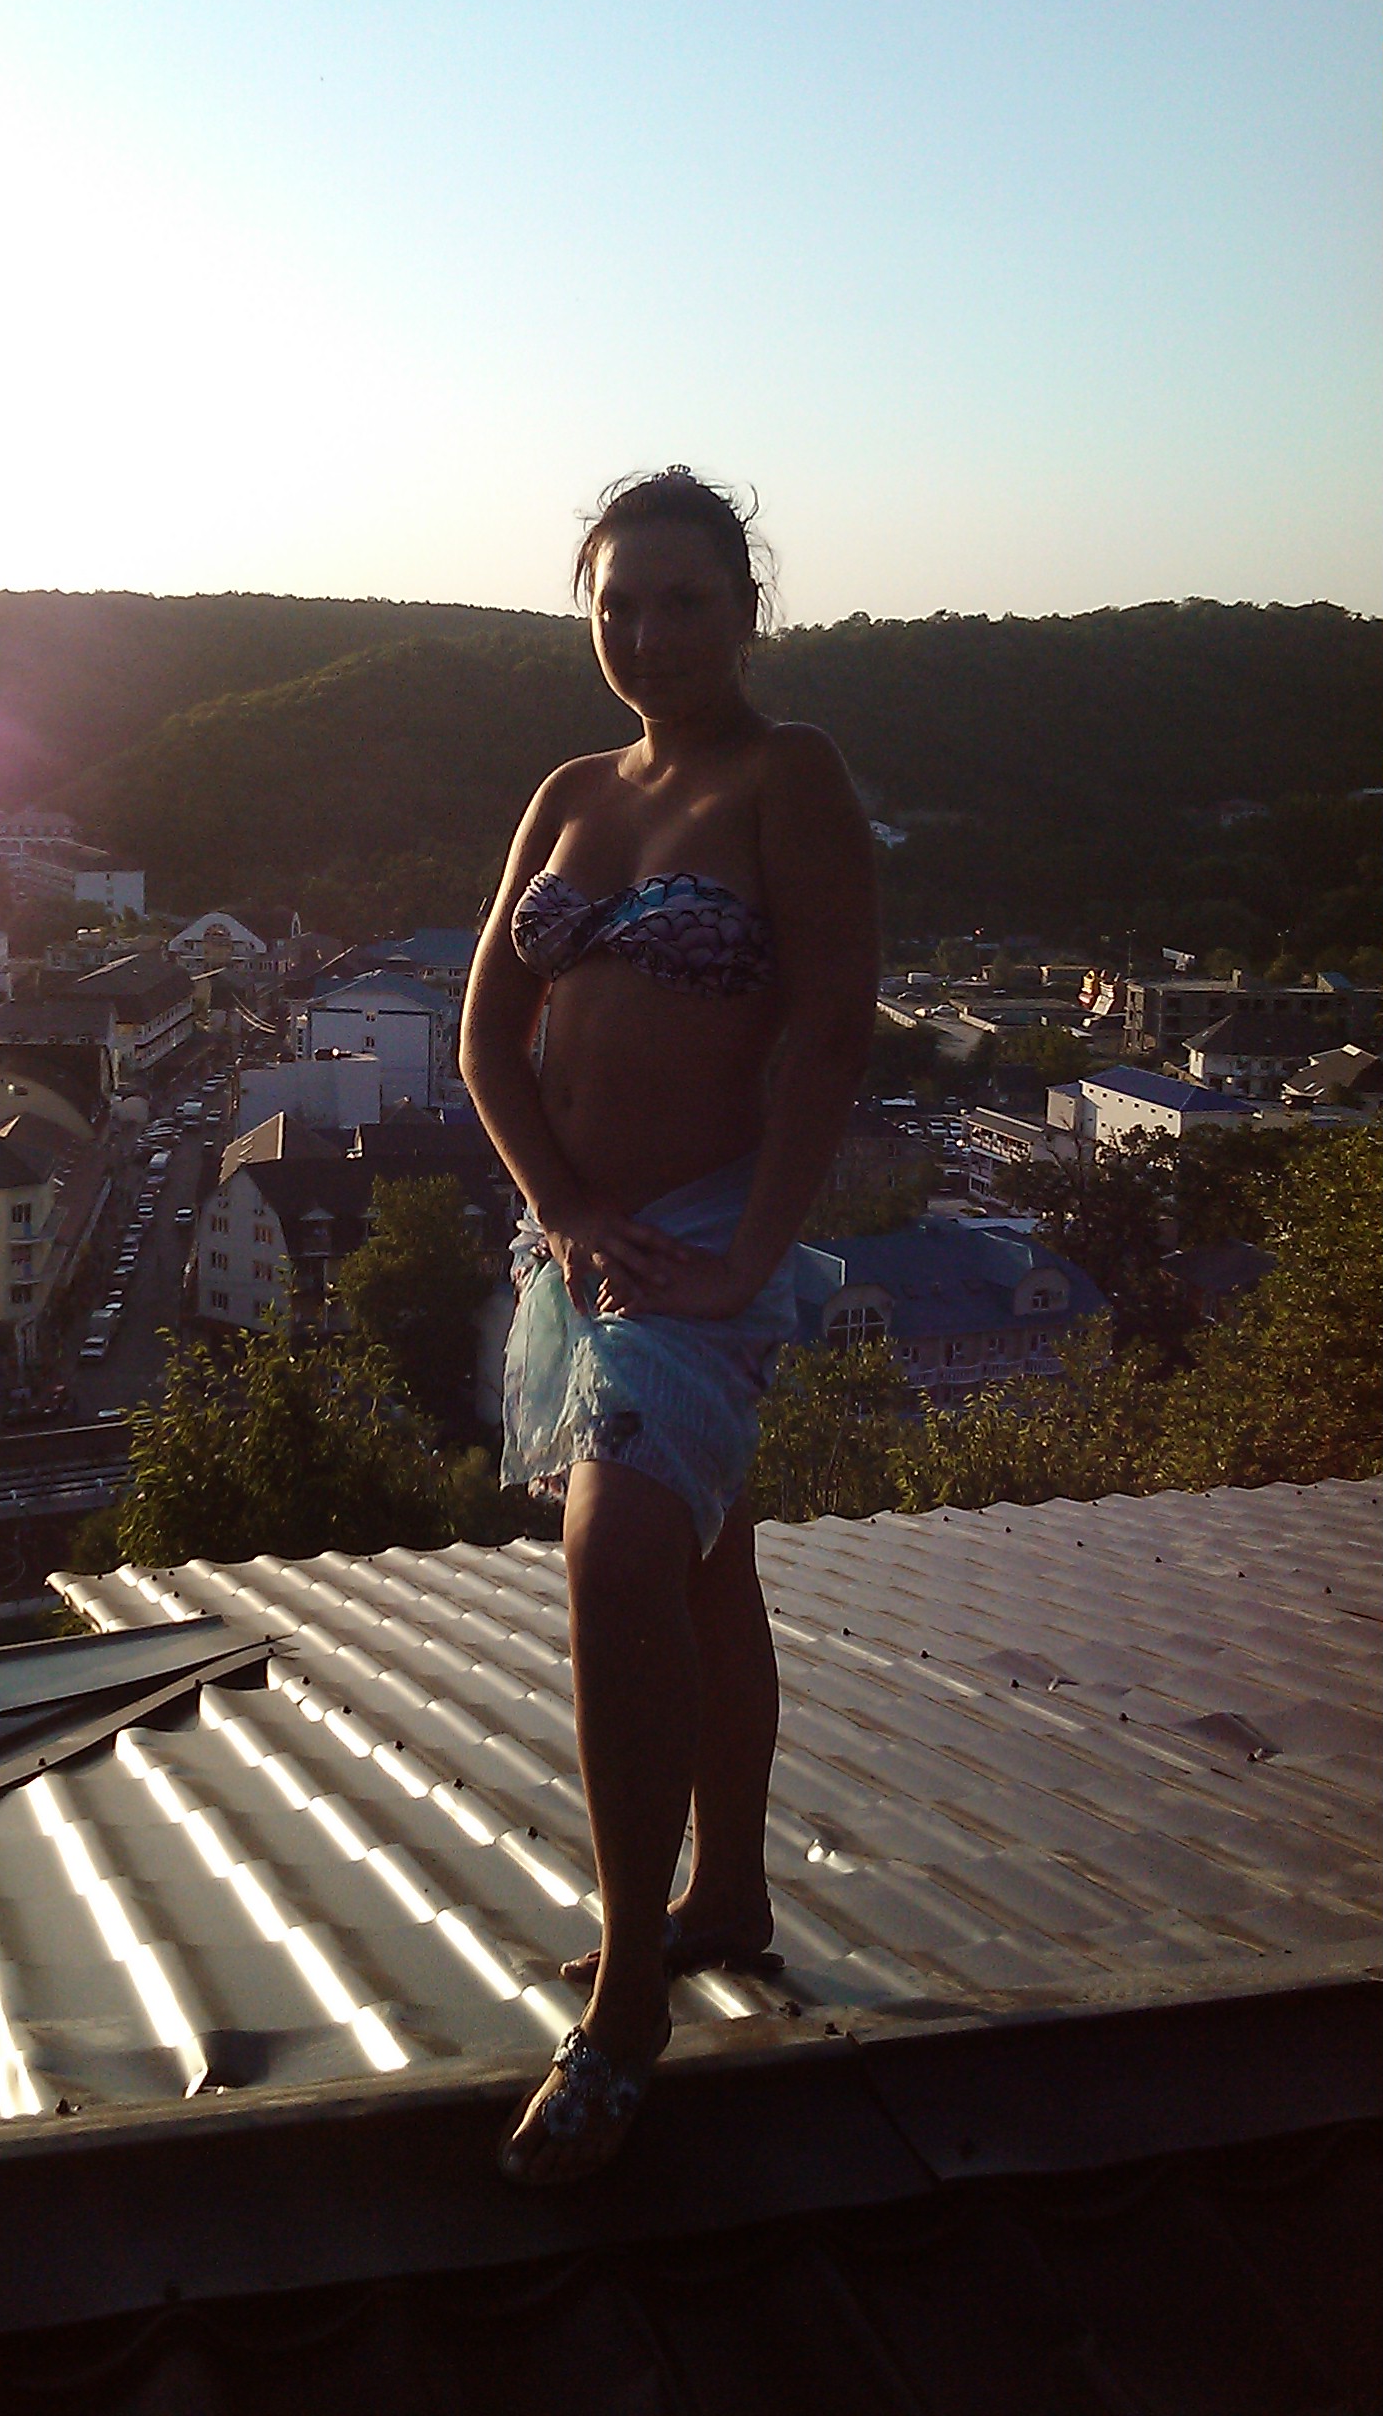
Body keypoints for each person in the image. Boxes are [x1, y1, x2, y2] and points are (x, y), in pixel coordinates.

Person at [459, 469, 878, 2185]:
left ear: (746, 610)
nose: (645, 634)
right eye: (616, 604)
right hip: (581, 1243)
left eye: (682, 600)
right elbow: (487, 1037)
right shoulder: (568, 793)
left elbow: (833, 1027)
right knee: (706, 1567)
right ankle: (733, 1898)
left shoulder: (790, 776)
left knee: (617, 1550)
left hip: (702, 1243)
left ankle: (629, 2001)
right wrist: (560, 1209)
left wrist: (751, 1257)